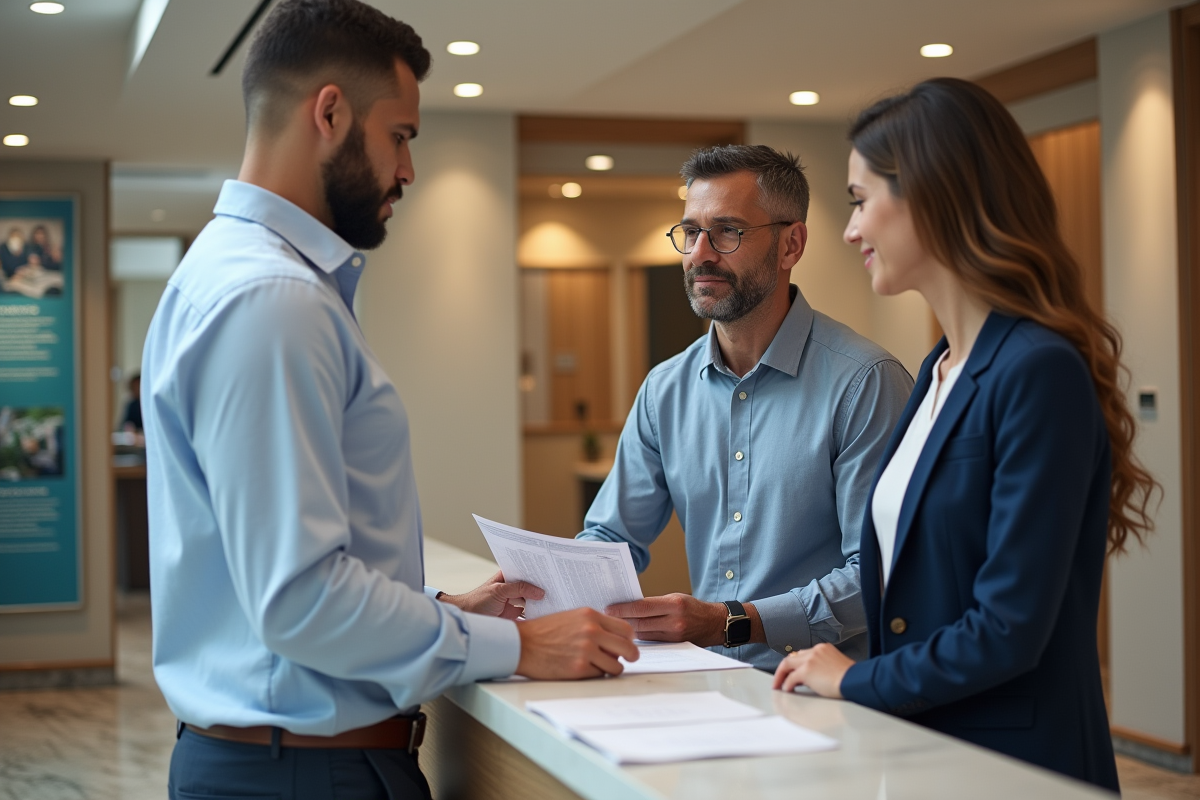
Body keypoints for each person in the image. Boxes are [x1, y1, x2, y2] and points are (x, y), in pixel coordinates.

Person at [140, 2, 636, 799]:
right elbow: (299, 599)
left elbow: (261, 572)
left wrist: (434, 607)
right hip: (306, 773)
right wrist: (520, 646)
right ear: (330, 113)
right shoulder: (274, 299)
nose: (409, 170)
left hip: (286, 760)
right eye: (401, 136)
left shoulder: (230, 275)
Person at [772, 78, 1158, 792]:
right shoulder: (938, 371)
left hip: (1015, 764)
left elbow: (1009, 625)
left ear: (931, 191)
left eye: (860, 201)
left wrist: (857, 679)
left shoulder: (1037, 370)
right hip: (928, 750)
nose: (851, 229)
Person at [578, 145, 913, 669]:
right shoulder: (664, 388)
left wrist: (731, 622)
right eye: (690, 232)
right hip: (714, 682)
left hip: (834, 696)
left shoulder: (865, 383)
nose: (700, 254)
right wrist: (544, 579)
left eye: (727, 231)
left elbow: (875, 572)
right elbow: (610, 536)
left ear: (791, 245)